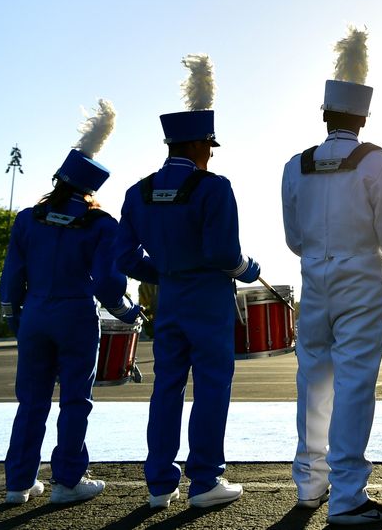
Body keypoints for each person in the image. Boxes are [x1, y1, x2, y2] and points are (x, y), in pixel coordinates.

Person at [282, 27, 382, 526]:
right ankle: (347, 495)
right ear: (364, 117)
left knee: (313, 380)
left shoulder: (294, 166)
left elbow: (293, 238)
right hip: (361, 283)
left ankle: (309, 484)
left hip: (314, 280)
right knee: (354, 385)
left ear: (325, 114)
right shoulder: (379, 164)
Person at [114, 56, 261, 509]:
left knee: (167, 388)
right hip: (209, 300)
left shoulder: (137, 192)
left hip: (170, 299)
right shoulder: (214, 187)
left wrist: (163, 272)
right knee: (212, 387)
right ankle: (204, 482)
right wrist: (248, 268)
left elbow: (123, 257)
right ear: (199, 144)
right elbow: (222, 253)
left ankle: (159, 484)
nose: (212, 153)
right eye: (209, 145)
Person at [0, 104, 140, 505]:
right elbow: (109, 284)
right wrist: (129, 311)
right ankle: (67, 481)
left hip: (35, 317)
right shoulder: (100, 224)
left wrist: (16, 320)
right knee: (75, 400)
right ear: (90, 189)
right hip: (75, 317)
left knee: (31, 401)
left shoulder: (28, 218)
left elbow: (11, 280)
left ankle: (18, 483)